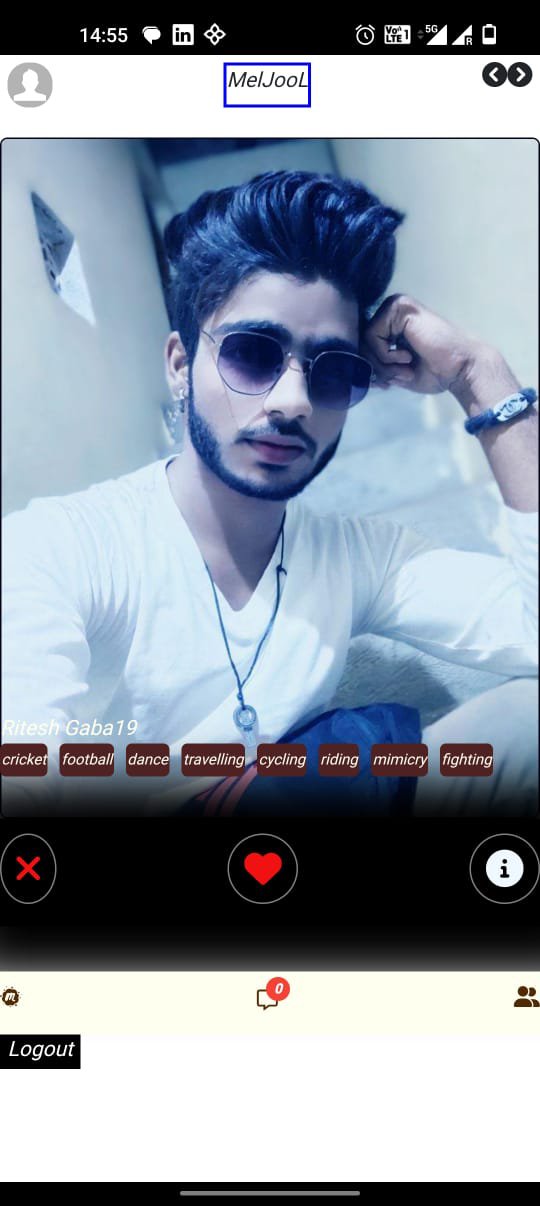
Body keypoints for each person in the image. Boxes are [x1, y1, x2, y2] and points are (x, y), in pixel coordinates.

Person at [2, 171, 538, 816]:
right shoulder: (58, 547)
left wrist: (480, 377)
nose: (293, 401)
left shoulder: (359, 558)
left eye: (333, 371)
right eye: (252, 354)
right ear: (180, 365)